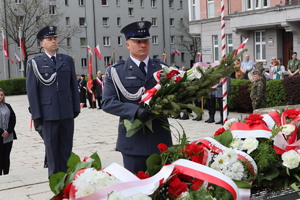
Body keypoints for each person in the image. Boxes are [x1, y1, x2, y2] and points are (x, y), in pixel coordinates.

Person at [102, 21, 172, 174]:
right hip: (133, 140)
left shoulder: (162, 68)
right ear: (127, 44)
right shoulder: (116, 71)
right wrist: (134, 111)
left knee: (163, 189)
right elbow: (107, 102)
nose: (143, 45)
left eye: (146, 41)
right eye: (138, 41)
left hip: (160, 138)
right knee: (135, 190)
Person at [26, 26, 80, 177]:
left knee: (66, 150)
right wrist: (36, 114)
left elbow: (73, 86)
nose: (54, 41)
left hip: (67, 113)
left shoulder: (67, 60)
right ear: (42, 43)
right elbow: (32, 91)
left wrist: (75, 108)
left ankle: (67, 179)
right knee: (52, 151)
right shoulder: (35, 62)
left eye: (55, 38)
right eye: (49, 39)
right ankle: (55, 182)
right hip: (48, 114)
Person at [0, 88, 16, 176]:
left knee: (6, 157)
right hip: (0, 136)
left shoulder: (8, 106)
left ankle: (6, 175)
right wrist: (1, 132)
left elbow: (13, 119)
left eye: (2, 95)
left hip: (8, 136)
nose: (0, 97)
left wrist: (8, 131)